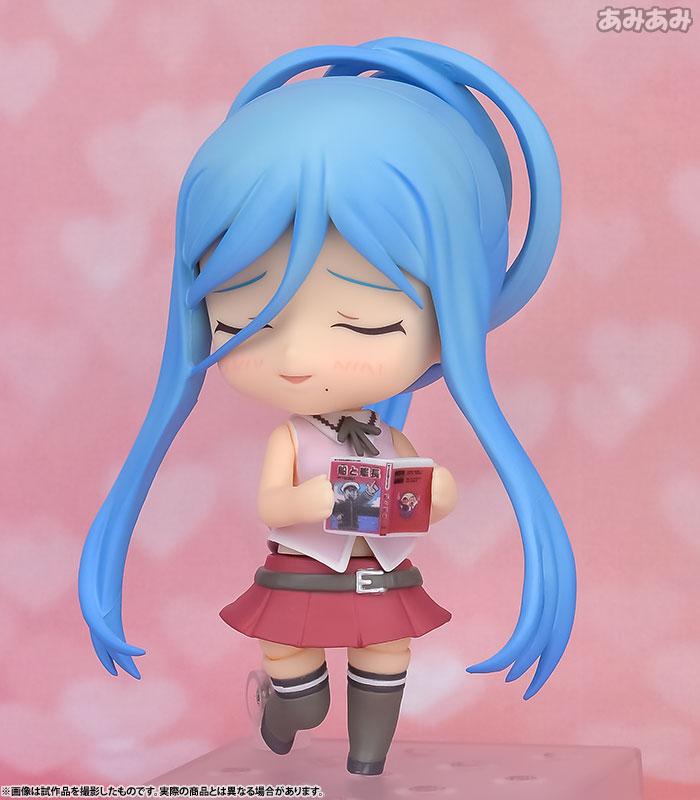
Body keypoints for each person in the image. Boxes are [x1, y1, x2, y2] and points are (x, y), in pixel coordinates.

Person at [79, 37, 576, 777]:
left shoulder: (386, 438)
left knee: (386, 658)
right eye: (242, 320)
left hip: (379, 574)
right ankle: (286, 708)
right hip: (303, 575)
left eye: (365, 324)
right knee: (300, 681)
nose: (298, 358)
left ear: (457, 315)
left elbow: (424, 497)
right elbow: (275, 504)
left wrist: (432, 492)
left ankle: (369, 762)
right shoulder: (295, 438)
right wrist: (318, 499)